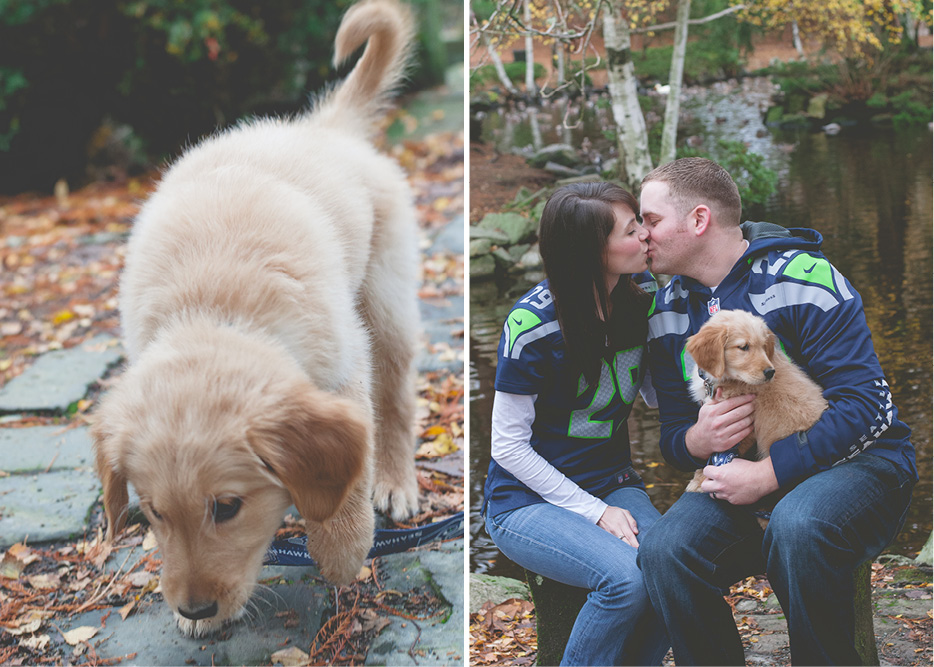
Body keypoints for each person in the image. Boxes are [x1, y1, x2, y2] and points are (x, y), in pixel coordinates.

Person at [636, 157, 917, 665]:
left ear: (698, 221)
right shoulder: (667, 313)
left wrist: (769, 473)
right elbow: (674, 437)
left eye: (651, 220)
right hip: (740, 477)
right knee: (664, 552)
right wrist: (697, 442)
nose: (641, 235)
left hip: (864, 468)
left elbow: (870, 406)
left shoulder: (803, 278)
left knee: (798, 522)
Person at [482, 182, 670, 666]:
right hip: (525, 503)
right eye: (633, 230)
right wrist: (593, 511)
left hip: (613, 483)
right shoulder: (533, 326)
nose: (647, 235)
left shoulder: (643, 294)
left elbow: (652, 393)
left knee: (673, 568)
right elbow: (507, 447)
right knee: (625, 580)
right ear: (592, 252)